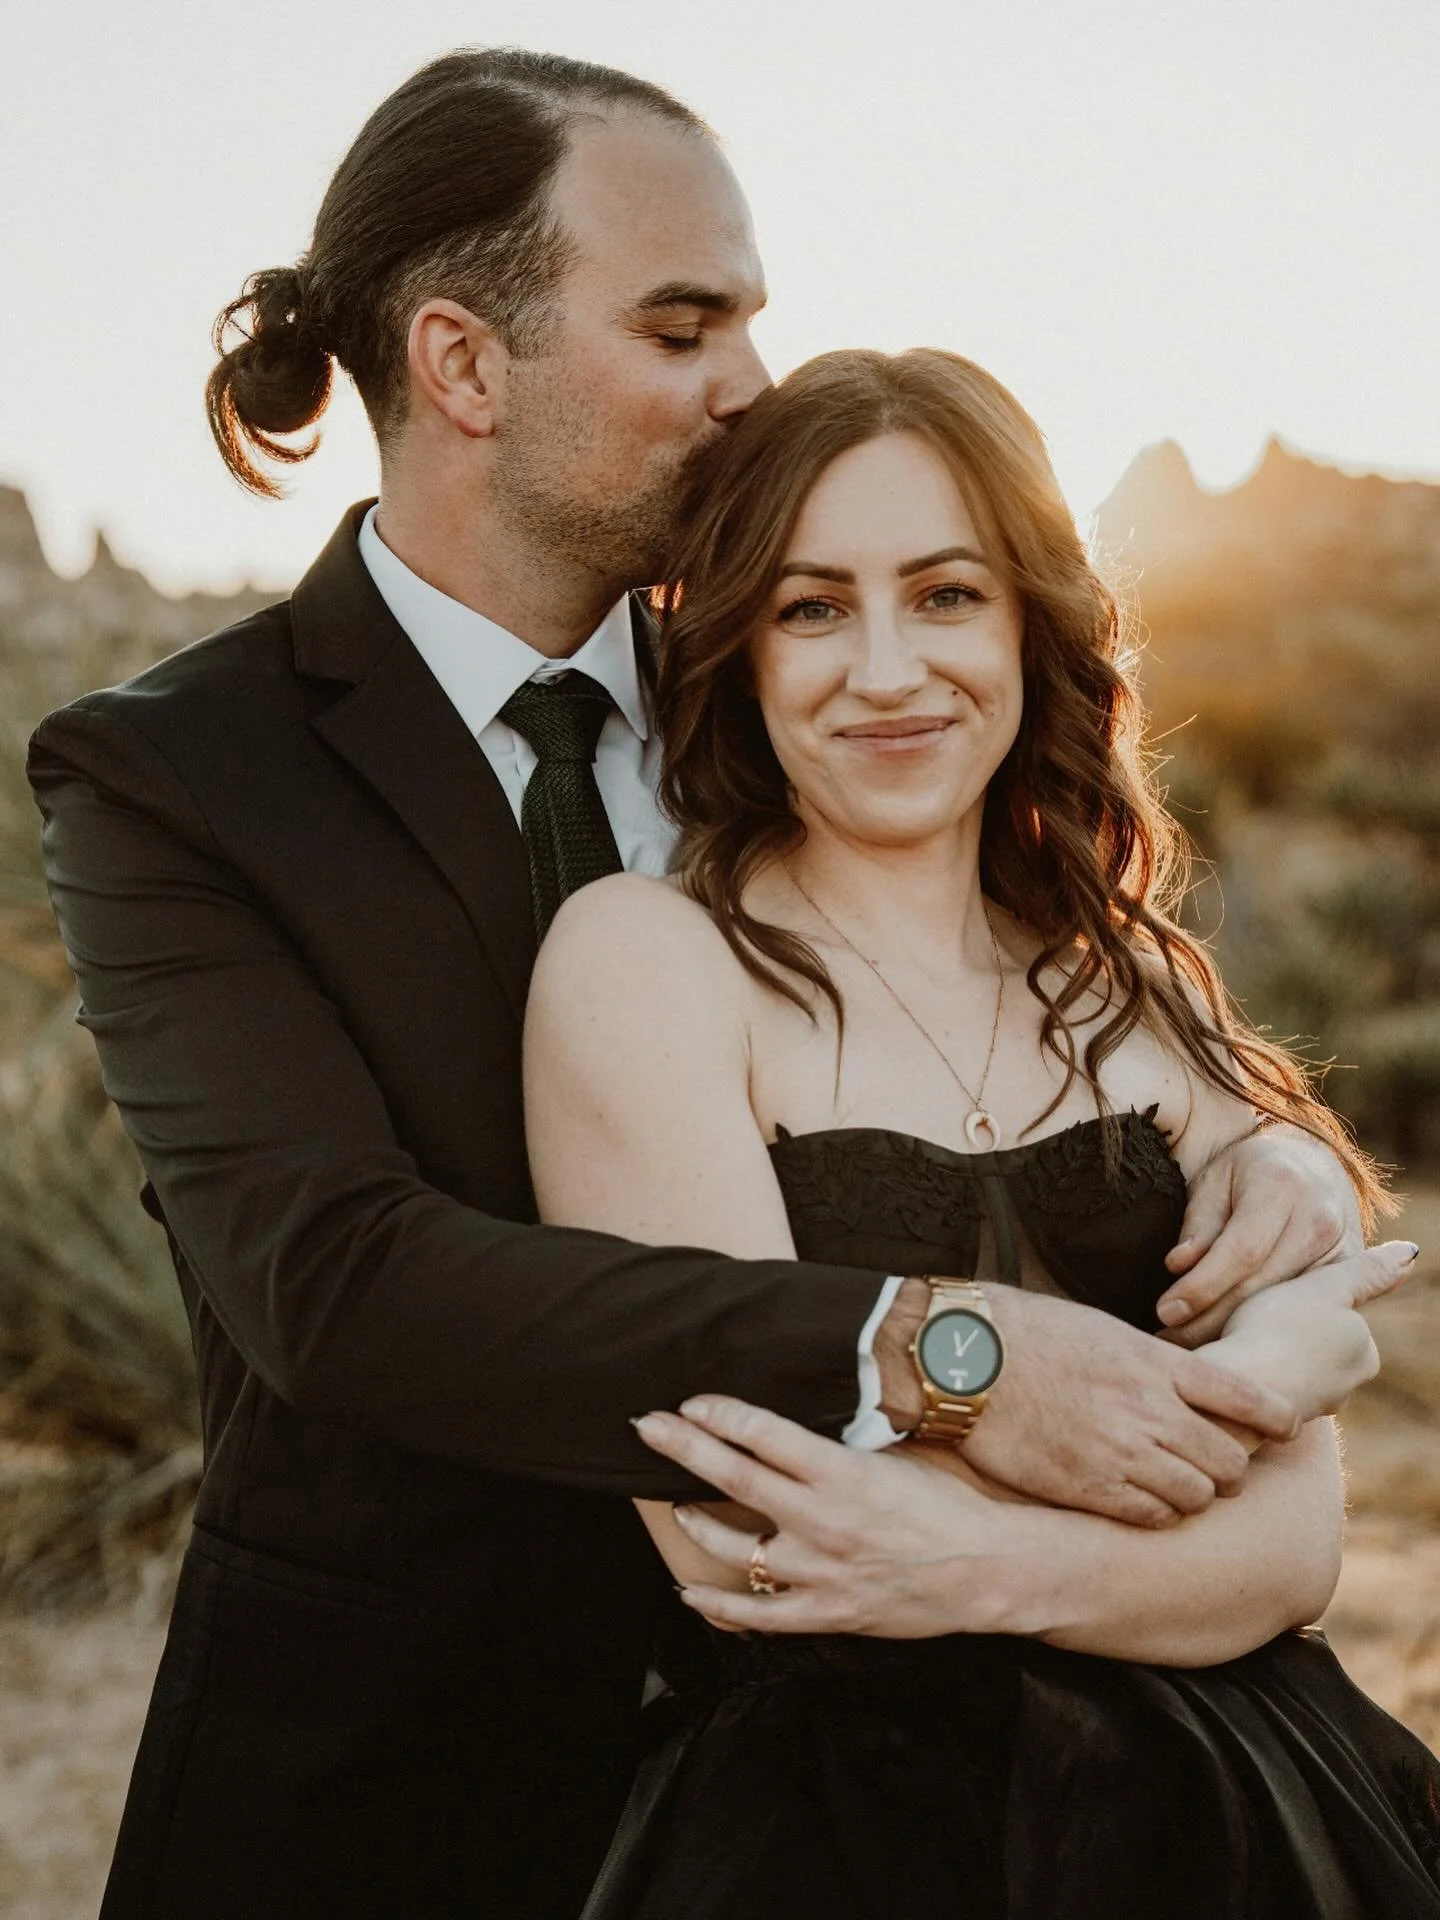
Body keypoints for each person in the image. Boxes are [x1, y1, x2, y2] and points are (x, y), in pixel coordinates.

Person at [27, 48, 1388, 1920]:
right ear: (461, 364)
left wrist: (1288, 1170)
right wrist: (940, 1351)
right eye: (684, 325)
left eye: (755, 317)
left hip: (907, 1784)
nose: (751, 381)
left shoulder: (801, 670)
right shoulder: (182, 772)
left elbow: (1048, 1013)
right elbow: (333, 1284)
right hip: (401, 1767)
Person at [522, 347, 1440, 1918]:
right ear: (738, 647)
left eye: (946, 593)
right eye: (814, 608)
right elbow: (744, 1532)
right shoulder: (647, 962)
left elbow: (1295, 1547)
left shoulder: (1132, 979)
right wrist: (1174, 1517)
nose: (887, 670)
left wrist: (992, 1565)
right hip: (838, 1834)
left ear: (1030, 622)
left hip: (1246, 1816)